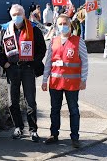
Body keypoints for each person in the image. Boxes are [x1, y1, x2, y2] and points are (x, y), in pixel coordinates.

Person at [0, 4, 46, 142]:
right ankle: (18, 127)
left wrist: (33, 62)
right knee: (13, 102)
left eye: (19, 14)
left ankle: (33, 130)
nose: (16, 17)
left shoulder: (34, 29)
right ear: (10, 16)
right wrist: (5, 64)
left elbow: (42, 49)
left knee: (30, 101)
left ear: (24, 15)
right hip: (11, 68)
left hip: (28, 68)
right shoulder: (5, 29)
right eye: (14, 15)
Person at [41, 14, 88, 148]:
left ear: (70, 25)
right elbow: (49, 62)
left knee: (73, 110)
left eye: (65, 24)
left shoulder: (79, 41)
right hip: (55, 83)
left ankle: (74, 137)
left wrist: (83, 79)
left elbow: (85, 62)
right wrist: (45, 80)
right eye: (60, 24)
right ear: (57, 26)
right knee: (54, 110)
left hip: (72, 83)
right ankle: (53, 134)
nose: (63, 26)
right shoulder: (53, 41)